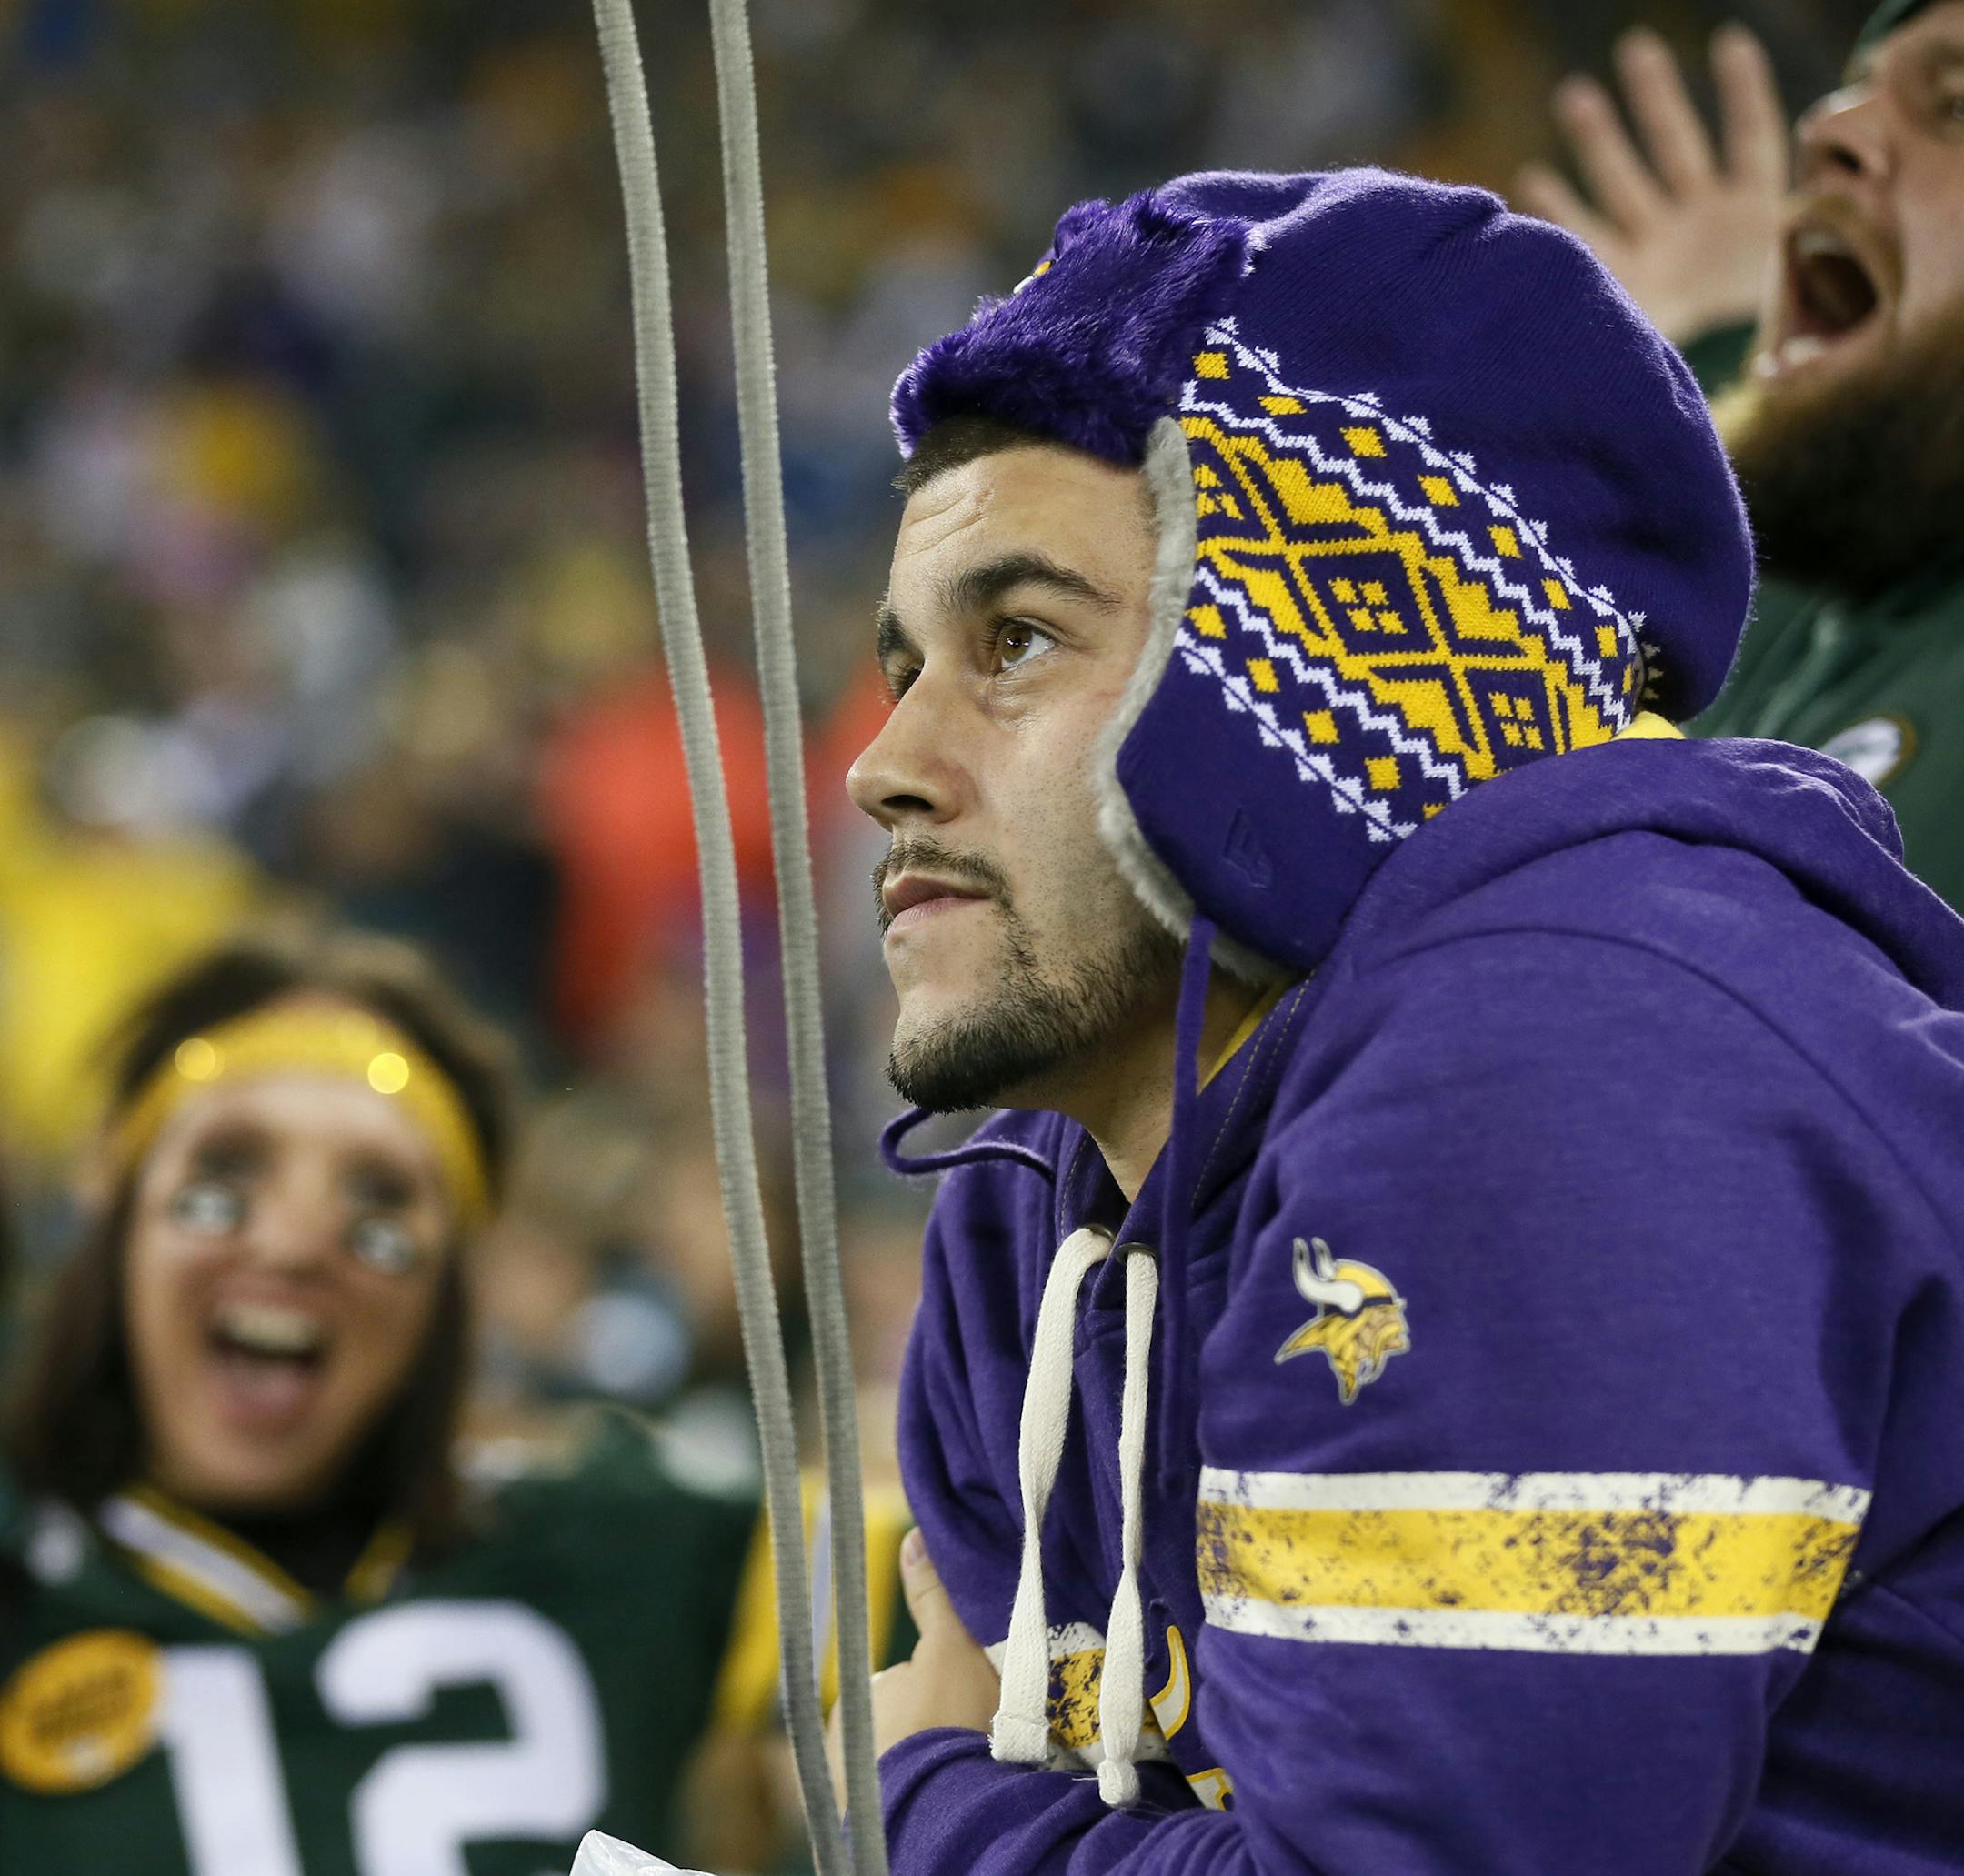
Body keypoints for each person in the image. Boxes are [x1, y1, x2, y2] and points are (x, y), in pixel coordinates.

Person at [835, 167, 1964, 1871]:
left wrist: (938, 1804)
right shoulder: (1035, 1198)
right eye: (905, 662)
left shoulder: (1575, 1059)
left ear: (1313, 677)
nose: (884, 768)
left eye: (1018, 640)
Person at [0, 928, 757, 1873]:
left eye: (380, 1204)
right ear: (115, 1220)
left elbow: (968, 1576)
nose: (290, 1243)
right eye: (223, 1178)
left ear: (452, 1295)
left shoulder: (635, 1547)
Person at [1519, 1, 1964, 908]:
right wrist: (1712, 348)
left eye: (1956, 108)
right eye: (1854, 86)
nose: (1831, 125)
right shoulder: (1792, 585)